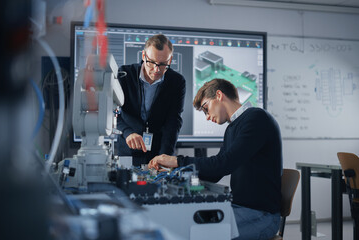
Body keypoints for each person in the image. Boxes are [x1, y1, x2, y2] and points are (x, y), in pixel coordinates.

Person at [148, 78, 282, 240]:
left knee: (195, 234)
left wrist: (177, 161)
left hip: (261, 216)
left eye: (206, 108)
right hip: (239, 208)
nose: (207, 116)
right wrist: (173, 172)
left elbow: (222, 165)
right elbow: (214, 173)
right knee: (185, 224)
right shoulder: (233, 127)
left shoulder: (257, 119)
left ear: (219, 95)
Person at [117, 34, 186, 166]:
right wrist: (127, 132)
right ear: (143, 56)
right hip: (127, 150)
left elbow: (173, 121)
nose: (156, 70)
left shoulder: (177, 82)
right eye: (151, 62)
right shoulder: (124, 74)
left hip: (158, 151)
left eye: (162, 64)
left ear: (170, 60)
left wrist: (164, 156)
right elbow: (113, 113)